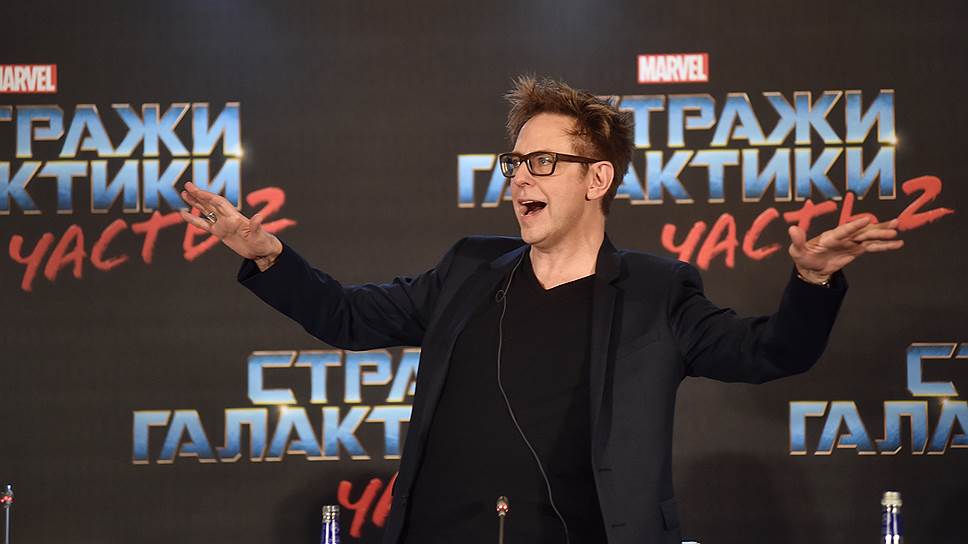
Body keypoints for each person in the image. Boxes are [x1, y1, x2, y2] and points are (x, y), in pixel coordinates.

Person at [179, 76, 903, 544]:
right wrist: (268, 254)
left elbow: (770, 352)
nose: (520, 179)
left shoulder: (656, 292)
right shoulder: (468, 269)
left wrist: (811, 281)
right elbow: (347, 316)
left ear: (598, 178)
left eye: (543, 163)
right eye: (516, 164)